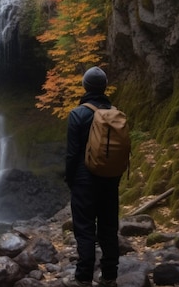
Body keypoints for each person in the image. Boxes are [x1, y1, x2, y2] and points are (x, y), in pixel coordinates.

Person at [62, 66, 120, 287]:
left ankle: (84, 277)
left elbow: (72, 154)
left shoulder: (78, 114)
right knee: (108, 227)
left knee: (85, 227)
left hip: (84, 179)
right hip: (110, 178)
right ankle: (109, 276)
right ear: (105, 87)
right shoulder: (116, 114)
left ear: (85, 86)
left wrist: (70, 179)